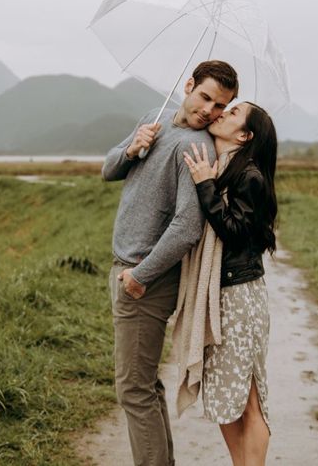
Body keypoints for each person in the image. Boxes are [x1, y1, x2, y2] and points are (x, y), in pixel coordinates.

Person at [102, 60, 239, 466]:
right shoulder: (155, 117)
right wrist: (131, 148)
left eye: (221, 106)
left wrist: (139, 277)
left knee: (133, 390)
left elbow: (186, 227)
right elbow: (108, 170)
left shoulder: (194, 146)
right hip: (126, 266)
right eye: (206, 97)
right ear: (189, 85)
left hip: (144, 278)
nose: (210, 111)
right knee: (145, 387)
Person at [183, 101, 278, 466]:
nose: (222, 112)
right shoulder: (223, 168)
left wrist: (206, 187)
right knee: (224, 397)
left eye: (234, 112)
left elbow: (235, 233)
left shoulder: (248, 175)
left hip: (241, 298)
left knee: (249, 400)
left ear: (244, 135)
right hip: (219, 296)